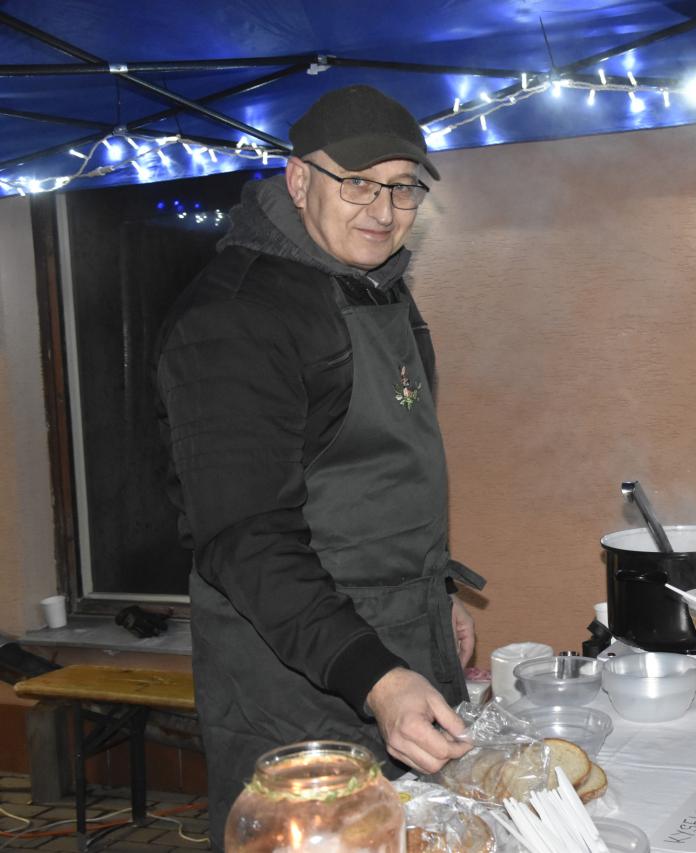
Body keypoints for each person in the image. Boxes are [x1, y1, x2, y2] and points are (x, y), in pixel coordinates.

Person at [155, 84, 485, 844]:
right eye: (358, 183)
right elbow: (245, 537)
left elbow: (377, 477)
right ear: (299, 179)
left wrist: (429, 592)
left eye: (403, 187)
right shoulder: (236, 319)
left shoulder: (376, 289)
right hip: (295, 682)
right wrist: (378, 676)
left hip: (392, 650)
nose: (384, 210)